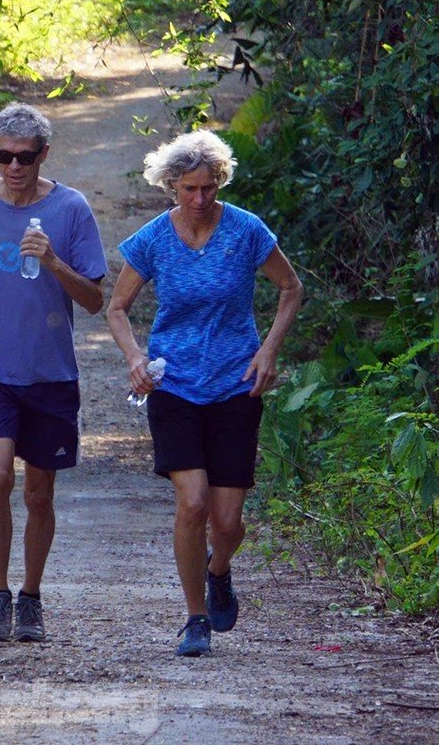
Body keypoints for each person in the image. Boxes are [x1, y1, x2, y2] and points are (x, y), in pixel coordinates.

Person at [105, 128, 302, 657]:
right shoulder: (152, 239)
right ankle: (194, 618)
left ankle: (219, 569)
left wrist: (268, 351)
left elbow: (291, 288)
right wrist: (134, 359)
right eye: (189, 189)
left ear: (220, 183)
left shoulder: (246, 231)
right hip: (174, 386)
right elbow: (117, 308)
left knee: (228, 522)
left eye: (209, 188)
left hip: (237, 384)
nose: (200, 199)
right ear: (171, 186)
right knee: (192, 503)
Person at [0, 102, 106, 643]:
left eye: (25, 157)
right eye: (3, 156)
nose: (13, 167)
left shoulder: (71, 209)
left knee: (40, 493)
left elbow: (94, 301)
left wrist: (55, 261)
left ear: (43, 155)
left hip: (50, 373)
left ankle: (31, 597)